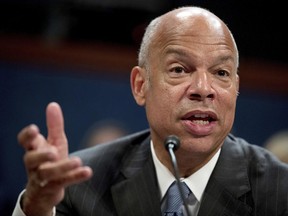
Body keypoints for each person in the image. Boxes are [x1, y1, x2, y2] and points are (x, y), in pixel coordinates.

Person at [12, 6, 288, 216]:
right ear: (140, 85)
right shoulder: (81, 185)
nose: (204, 88)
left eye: (221, 72)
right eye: (179, 69)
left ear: (236, 88)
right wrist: (36, 206)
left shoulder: (279, 193)